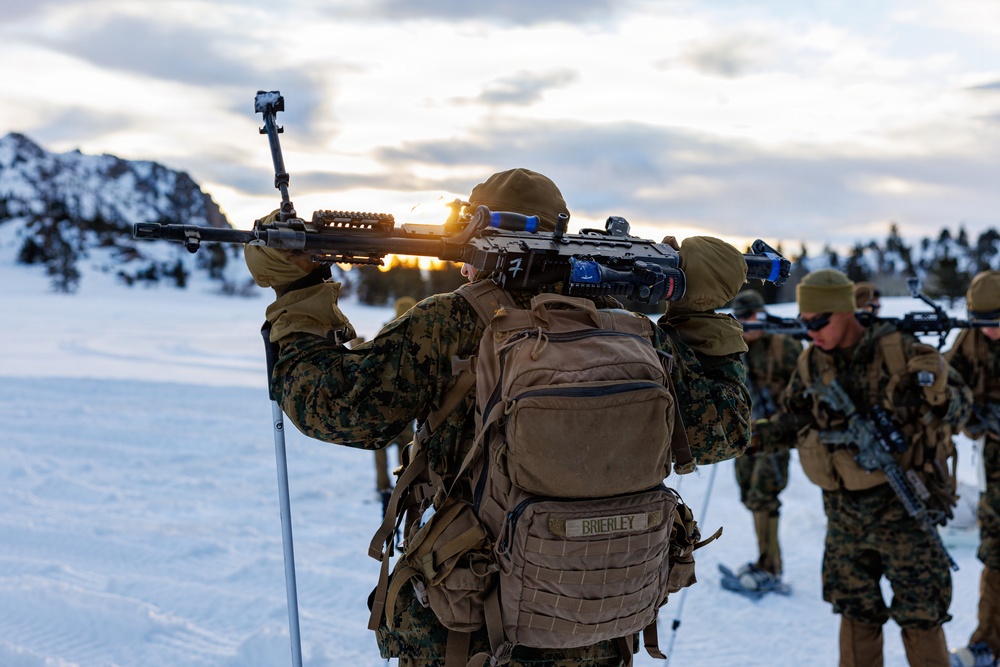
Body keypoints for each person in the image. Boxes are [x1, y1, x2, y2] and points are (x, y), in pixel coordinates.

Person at [244, 167, 753, 667]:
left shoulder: (450, 322)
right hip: (599, 627)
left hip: (471, 630)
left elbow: (334, 407)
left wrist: (298, 294)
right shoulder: (631, 330)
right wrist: (702, 318)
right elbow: (723, 430)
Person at [760, 268, 972, 667]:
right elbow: (794, 420)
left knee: (921, 618)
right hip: (844, 517)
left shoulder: (901, 350)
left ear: (845, 311)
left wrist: (938, 390)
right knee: (855, 614)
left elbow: (962, 410)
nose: (811, 332)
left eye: (819, 321)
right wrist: (752, 437)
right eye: (804, 323)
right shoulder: (811, 363)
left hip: (905, 512)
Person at [727, 289, 803, 593]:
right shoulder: (733, 348)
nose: (747, 324)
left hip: (775, 435)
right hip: (745, 435)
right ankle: (764, 560)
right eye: (741, 318)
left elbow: (803, 388)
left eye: (752, 317)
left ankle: (771, 566)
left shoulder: (784, 346)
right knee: (749, 495)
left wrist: (784, 421)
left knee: (764, 496)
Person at [944, 270, 1000, 667]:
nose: (989, 332)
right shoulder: (971, 338)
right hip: (996, 460)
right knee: (996, 550)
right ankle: (988, 642)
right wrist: (967, 413)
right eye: (981, 323)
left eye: (995, 323)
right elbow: (944, 382)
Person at [373, 296, 418, 518]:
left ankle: (384, 485)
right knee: (407, 445)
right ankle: (406, 484)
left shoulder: (386, 333)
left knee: (380, 446)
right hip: (405, 404)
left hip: (385, 404)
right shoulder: (416, 335)